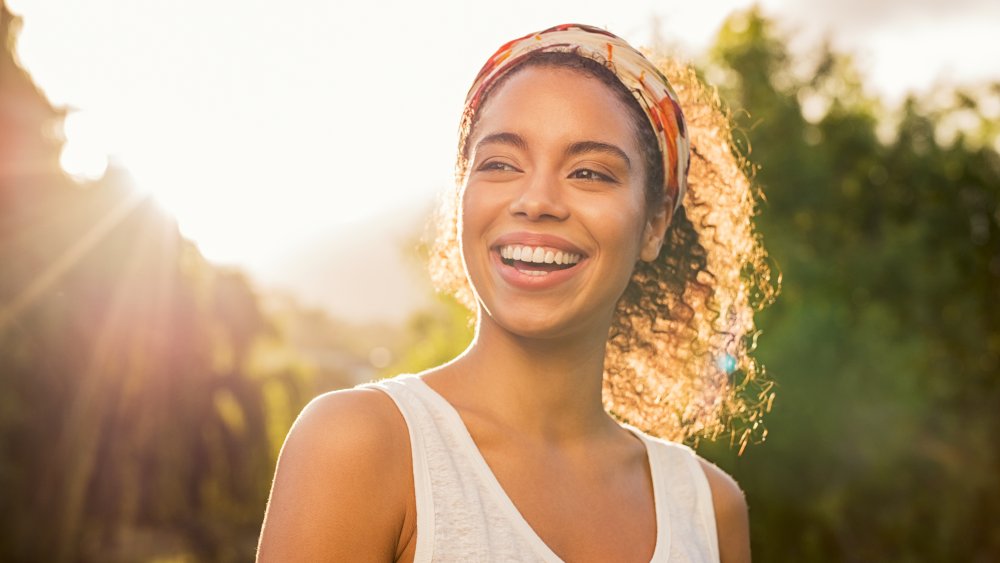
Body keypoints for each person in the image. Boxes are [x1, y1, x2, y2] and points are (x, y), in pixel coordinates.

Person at [257, 23, 773, 563]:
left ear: (654, 224)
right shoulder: (359, 445)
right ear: (464, 194)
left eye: (590, 172)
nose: (536, 200)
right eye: (501, 163)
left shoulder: (709, 510)